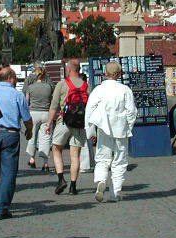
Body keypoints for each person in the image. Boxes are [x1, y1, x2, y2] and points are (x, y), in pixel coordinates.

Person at [84, 62, 138, 202]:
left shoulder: (99, 89)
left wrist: (90, 130)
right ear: (119, 74)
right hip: (121, 129)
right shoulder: (125, 90)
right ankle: (115, 192)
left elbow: (89, 110)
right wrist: (129, 127)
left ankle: (101, 181)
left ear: (105, 73)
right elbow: (131, 111)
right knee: (119, 161)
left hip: (104, 128)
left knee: (102, 158)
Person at [0, 67, 33, 219]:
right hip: (10, 134)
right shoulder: (17, 95)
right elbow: (26, 117)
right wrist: (29, 131)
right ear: (11, 78)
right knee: (8, 172)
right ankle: (2, 207)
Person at [46, 58, 88, 195]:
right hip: (79, 124)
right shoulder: (86, 86)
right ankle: (73, 186)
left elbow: (54, 105)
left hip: (63, 122)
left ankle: (60, 178)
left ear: (68, 70)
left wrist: (49, 123)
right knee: (75, 155)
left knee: (56, 149)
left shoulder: (62, 84)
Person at [24, 64, 54, 170]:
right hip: (46, 113)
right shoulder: (49, 87)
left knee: (32, 137)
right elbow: (52, 101)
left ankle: (32, 159)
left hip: (33, 113)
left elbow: (26, 102)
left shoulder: (30, 87)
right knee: (46, 138)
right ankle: (45, 163)